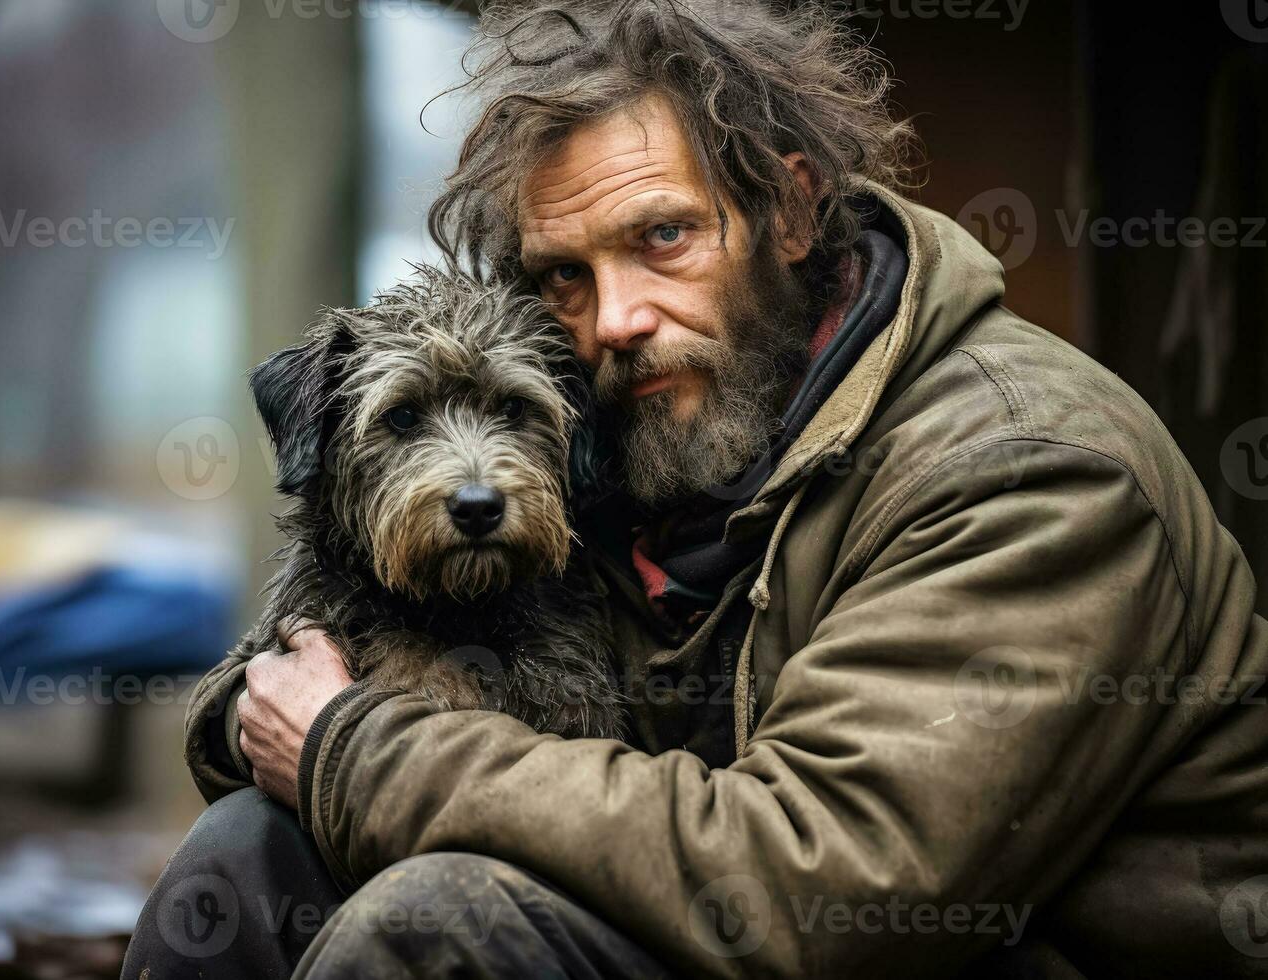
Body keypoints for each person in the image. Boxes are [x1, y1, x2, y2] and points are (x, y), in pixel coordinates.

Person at [125, 2, 1268, 976]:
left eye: (662, 237)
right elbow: (279, 702)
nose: (614, 318)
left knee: (436, 925)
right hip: (718, 916)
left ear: (792, 208)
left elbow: (828, 886)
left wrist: (352, 747)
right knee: (242, 861)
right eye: (566, 274)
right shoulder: (646, 423)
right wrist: (266, 714)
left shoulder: (1029, 469)